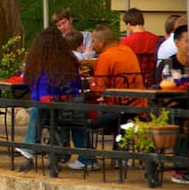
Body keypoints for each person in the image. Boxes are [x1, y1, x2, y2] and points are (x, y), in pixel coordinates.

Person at [16, 27, 94, 172]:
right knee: (73, 121)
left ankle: (30, 147)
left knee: (36, 110)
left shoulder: (36, 62)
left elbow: (27, 81)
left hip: (47, 105)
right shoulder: (68, 59)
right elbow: (77, 82)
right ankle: (85, 158)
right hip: (69, 104)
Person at [156, 24, 189, 185]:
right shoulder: (167, 65)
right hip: (172, 110)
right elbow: (162, 95)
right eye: (188, 41)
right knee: (179, 121)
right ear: (177, 42)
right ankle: (180, 169)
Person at [86, 25, 145, 137]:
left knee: (82, 115)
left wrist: (90, 82)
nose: (92, 45)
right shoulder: (128, 50)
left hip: (118, 108)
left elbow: (98, 90)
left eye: (93, 41)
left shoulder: (105, 57)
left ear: (102, 42)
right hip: (139, 104)